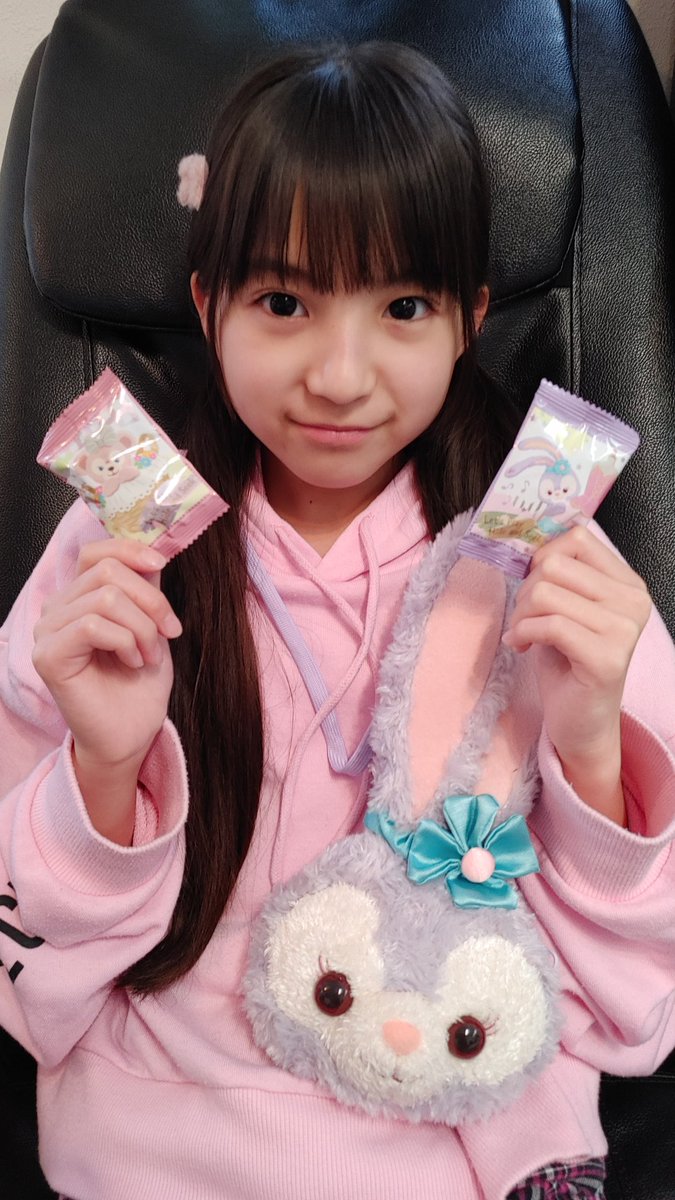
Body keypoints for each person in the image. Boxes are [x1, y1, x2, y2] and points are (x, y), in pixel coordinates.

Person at [0, 41, 673, 1200]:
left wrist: (592, 750)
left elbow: (637, 1005)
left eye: (403, 306)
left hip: (451, 1146)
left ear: (468, 321)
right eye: (284, 302)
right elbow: (23, 973)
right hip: (146, 1151)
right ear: (208, 306)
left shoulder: (550, 559)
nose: (342, 376)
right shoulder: (116, 553)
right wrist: (104, 776)